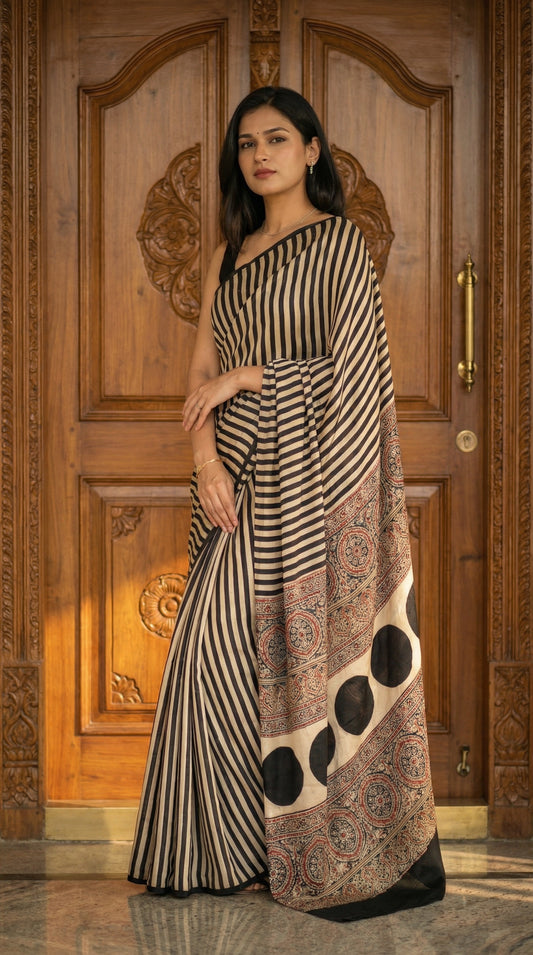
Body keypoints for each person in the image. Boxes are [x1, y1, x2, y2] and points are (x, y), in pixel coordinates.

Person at [128, 86, 445, 920]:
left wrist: (254, 375)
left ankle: (313, 843)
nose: (258, 155)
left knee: (281, 661)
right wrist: (205, 463)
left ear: (311, 150)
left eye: (276, 139)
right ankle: (215, 850)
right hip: (235, 474)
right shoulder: (230, 253)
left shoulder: (339, 245)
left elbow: (355, 376)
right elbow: (197, 375)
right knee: (211, 649)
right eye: (244, 144)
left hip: (313, 483)